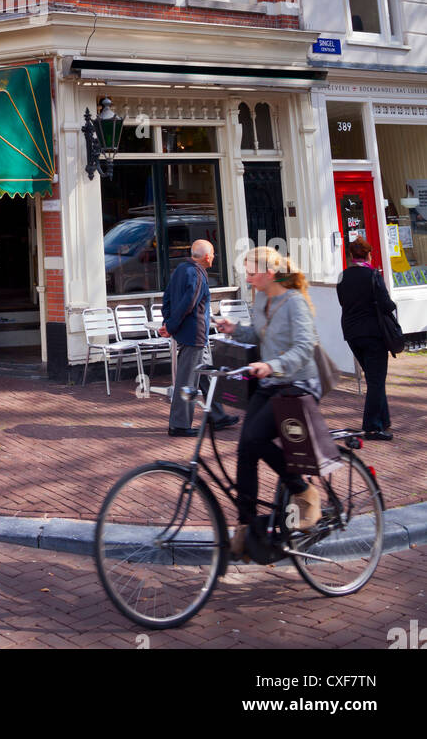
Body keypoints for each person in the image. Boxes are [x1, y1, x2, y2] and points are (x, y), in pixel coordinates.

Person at [217, 248, 323, 560]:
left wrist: (272, 365)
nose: (248, 279)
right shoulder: (262, 299)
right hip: (271, 382)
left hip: (298, 383)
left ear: (271, 273)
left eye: (252, 273)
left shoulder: (295, 302)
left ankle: (304, 491)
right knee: (245, 450)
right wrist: (235, 329)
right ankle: (246, 527)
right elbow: (262, 335)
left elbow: (305, 347)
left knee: (255, 437)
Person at [161, 239, 239, 438]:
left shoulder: (180, 269)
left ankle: (217, 416)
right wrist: (170, 326)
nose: (214, 257)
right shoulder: (197, 274)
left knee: (206, 375)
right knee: (187, 381)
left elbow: (167, 297)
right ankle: (178, 425)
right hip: (194, 335)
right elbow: (188, 305)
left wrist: (167, 321)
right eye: (212, 253)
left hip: (194, 334)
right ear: (207, 257)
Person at [337, 236, 396, 440]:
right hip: (373, 333)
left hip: (352, 333)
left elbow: (342, 301)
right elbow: (386, 304)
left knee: (373, 378)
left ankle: (383, 419)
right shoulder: (373, 275)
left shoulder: (342, 276)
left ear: (351, 256)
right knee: (376, 380)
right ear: (368, 254)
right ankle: (371, 427)